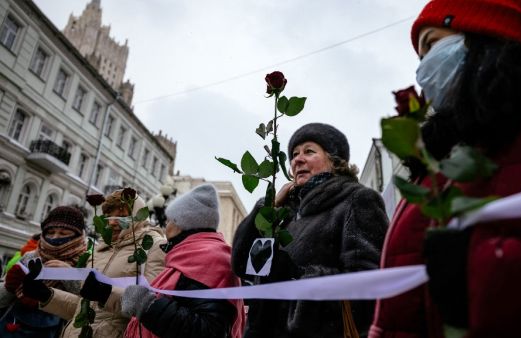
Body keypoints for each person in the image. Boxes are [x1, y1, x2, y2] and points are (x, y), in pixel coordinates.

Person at [370, 1, 521, 337]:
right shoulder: (449, 148)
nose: (424, 70)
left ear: (492, 32)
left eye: (432, 45)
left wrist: (485, 273)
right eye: (421, 59)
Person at [232, 123, 389, 337]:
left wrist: (301, 287)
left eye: (309, 151)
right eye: (294, 154)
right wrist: (268, 207)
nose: (297, 159)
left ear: (335, 161)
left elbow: (368, 283)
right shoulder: (286, 213)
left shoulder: (357, 200)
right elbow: (242, 264)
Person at [25, 189, 167, 338]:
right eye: (108, 216)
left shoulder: (153, 246)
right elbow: (88, 310)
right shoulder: (101, 249)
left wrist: (105, 293)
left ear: (137, 216)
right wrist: (46, 295)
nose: (112, 222)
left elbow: (152, 307)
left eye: (122, 216)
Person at [119, 183, 245, 338]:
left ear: (181, 224)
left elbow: (210, 331)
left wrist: (147, 306)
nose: (166, 227)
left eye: (169, 221)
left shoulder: (210, 261)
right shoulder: (189, 257)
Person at [1, 206, 87, 337]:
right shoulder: (30, 257)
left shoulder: (86, 261)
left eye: (63, 233)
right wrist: (9, 286)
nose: (55, 237)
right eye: (50, 232)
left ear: (78, 235)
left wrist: (69, 275)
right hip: (15, 327)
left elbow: (91, 308)